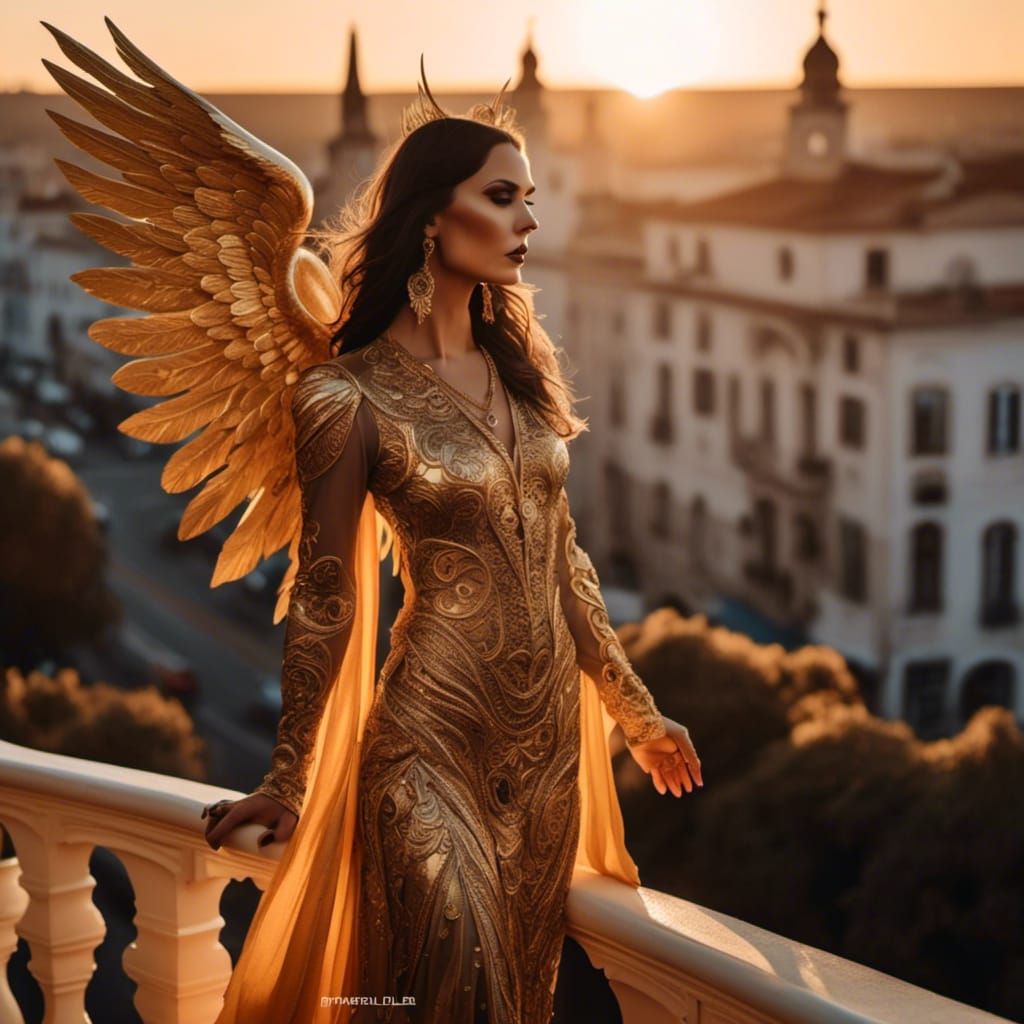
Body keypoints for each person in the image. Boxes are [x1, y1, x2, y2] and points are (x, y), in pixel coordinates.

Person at [43, 18, 701, 1022]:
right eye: (502, 196)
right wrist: (287, 776)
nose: (529, 220)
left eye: (530, 197)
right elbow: (324, 590)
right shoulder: (343, 397)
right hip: (423, 748)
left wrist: (635, 711)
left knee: (513, 1002)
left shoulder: (523, 383)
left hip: (545, 767)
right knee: (452, 992)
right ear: (434, 220)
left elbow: (564, 566)